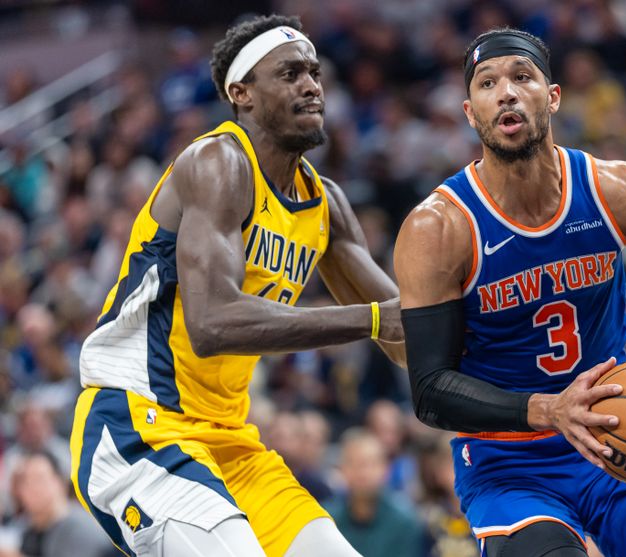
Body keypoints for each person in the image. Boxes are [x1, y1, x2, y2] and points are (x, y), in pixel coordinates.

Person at [394, 28, 626, 557]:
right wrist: (550, 410)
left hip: (618, 442)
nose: (505, 92)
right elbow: (430, 389)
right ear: (471, 112)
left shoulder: (618, 189)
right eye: (487, 84)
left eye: (521, 77)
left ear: (552, 96)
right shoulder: (440, 227)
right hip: (509, 463)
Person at [70, 14, 404, 557]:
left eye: (315, 72)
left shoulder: (327, 204)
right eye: (290, 73)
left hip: (231, 441)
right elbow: (213, 323)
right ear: (242, 93)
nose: (312, 85)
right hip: (140, 425)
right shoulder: (216, 162)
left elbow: (405, 332)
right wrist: (370, 321)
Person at [324, 428, 424, 557]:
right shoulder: (327, 520)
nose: (363, 473)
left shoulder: (405, 520)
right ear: (342, 469)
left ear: (386, 468)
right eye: (354, 464)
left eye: (371, 464)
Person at [14, 450, 112, 557]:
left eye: (39, 479)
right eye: (25, 482)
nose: (32, 488)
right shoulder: (29, 532)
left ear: (61, 482)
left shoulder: (81, 528)